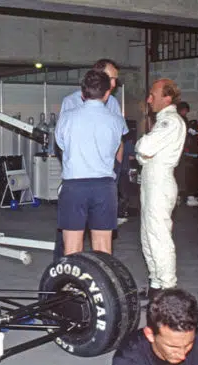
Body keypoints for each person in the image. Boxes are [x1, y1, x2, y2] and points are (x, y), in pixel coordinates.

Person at [54, 58, 125, 260]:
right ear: (107, 93)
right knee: (103, 247)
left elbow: (61, 145)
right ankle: (103, 289)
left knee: (72, 248)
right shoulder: (115, 120)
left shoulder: (67, 117)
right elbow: (114, 149)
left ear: (83, 93)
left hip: (74, 186)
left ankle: (72, 289)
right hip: (104, 186)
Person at [137, 79, 186, 298]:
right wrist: (143, 154)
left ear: (167, 97)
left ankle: (168, 289)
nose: (149, 100)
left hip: (160, 182)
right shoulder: (162, 121)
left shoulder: (171, 122)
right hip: (151, 182)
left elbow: (144, 148)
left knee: (159, 237)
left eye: (152, 95)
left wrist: (142, 148)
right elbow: (142, 157)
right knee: (148, 236)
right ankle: (156, 284)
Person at [175, 102, 198, 207]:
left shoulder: (178, 120)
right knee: (189, 174)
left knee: (179, 175)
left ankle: (178, 197)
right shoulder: (182, 120)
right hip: (185, 153)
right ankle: (189, 197)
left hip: (179, 153)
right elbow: (189, 135)